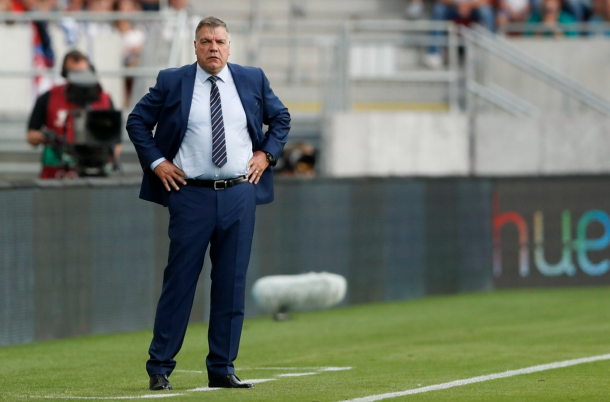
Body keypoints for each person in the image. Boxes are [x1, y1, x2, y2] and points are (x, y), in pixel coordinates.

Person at [126, 16, 290, 391]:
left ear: (230, 47)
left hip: (239, 192)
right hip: (191, 194)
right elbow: (137, 122)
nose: (213, 47)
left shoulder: (251, 79)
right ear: (195, 47)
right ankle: (160, 367)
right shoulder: (173, 81)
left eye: (219, 41)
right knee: (180, 281)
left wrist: (267, 154)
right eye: (205, 41)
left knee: (231, 284)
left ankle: (222, 366)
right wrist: (158, 162)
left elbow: (280, 118)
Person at [27, 50, 115, 179]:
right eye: (74, 72)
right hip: (56, 172)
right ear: (65, 73)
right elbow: (31, 135)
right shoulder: (49, 97)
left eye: (83, 72)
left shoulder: (103, 99)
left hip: (94, 172)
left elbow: (115, 138)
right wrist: (47, 137)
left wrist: (108, 158)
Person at [425, 0, 495, 69]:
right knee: (438, 9)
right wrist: (459, 5)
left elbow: (484, 1)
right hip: (453, 7)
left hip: (473, 9)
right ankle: (434, 53)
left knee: (486, 11)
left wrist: (469, 6)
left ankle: (491, 49)